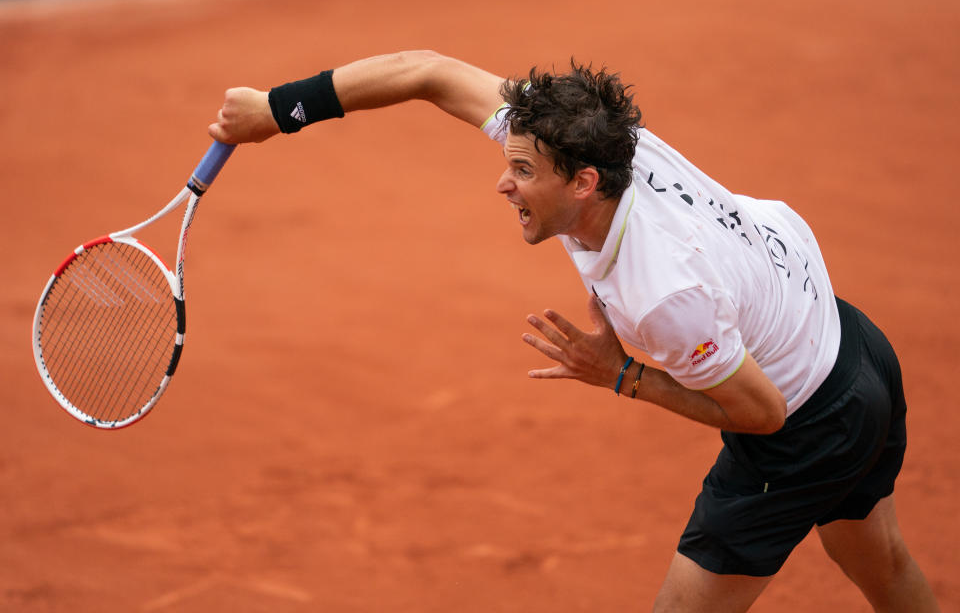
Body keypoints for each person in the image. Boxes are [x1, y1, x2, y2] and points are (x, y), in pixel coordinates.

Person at [208, 50, 939, 612]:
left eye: (521, 172)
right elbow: (427, 72)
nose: (503, 183)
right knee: (880, 562)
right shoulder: (600, 143)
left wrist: (623, 376)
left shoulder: (660, 294)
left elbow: (763, 414)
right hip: (850, 340)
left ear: (582, 182)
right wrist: (278, 110)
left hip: (808, 420)